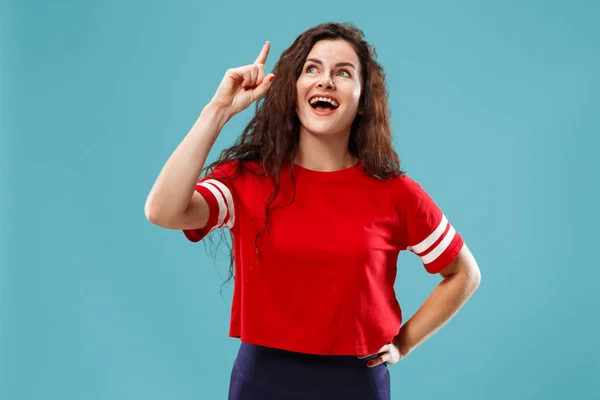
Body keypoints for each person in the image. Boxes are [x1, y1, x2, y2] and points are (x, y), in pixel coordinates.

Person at [145, 22, 481, 400]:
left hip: (356, 383)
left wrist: (404, 344)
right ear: (293, 90)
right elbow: (162, 211)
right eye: (312, 69)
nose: (325, 81)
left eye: (343, 72)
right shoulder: (247, 181)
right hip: (262, 380)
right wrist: (218, 110)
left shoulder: (397, 194)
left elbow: (464, 273)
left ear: (363, 99)